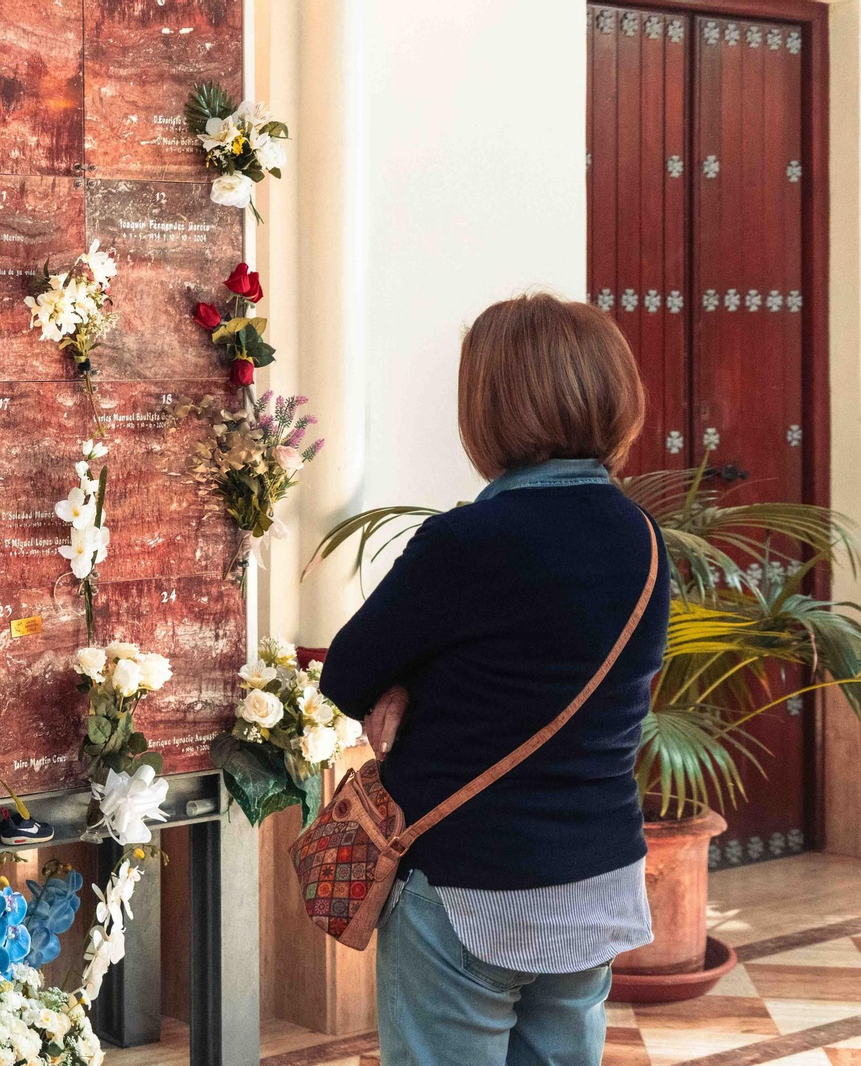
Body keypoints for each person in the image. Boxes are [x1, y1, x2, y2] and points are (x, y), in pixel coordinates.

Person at [316, 293, 668, 1066]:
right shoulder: (642, 540)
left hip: (468, 889)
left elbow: (346, 674)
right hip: (597, 882)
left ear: (491, 408)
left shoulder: (466, 543)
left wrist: (400, 682)